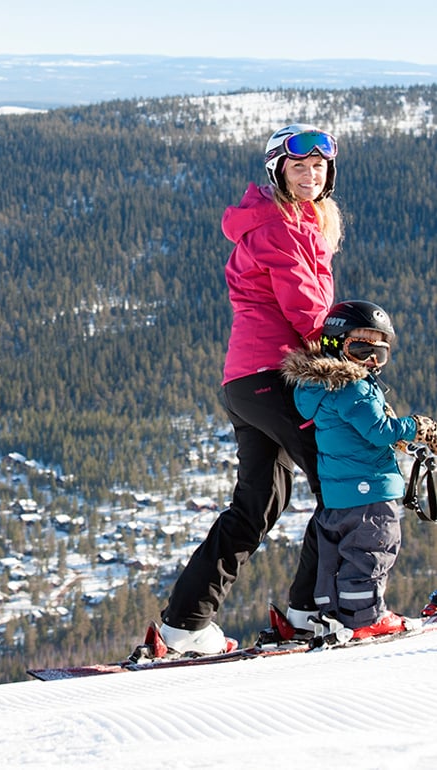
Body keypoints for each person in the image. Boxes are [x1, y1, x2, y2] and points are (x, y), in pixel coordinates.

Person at [158, 124, 343, 655]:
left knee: (257, 503)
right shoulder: (279, 226)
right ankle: (311, 610)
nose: (310, 175)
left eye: (319, 167)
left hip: (247, 381)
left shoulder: (291, 220)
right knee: (339, 481)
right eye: (299, 166)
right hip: (276, 375)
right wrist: (347, 355)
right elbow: (305, 307)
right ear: (277, 172)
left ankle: (185, 624)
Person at [282, 300, 437, 639]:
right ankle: (366, 616)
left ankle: (333, 614)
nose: (370, 361)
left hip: (337, 497)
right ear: (336, 345)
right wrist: (416, 426)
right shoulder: (353, 386)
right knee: (373, 550)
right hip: (370, 490)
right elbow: (379, 432)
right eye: (361, 349)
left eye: (379, 354)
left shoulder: (318, 388)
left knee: (335, 557)